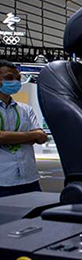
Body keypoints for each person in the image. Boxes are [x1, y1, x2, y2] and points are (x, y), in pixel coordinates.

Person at [0, 60, 47, 198]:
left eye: (18, 78)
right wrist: (31, 136)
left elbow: (41, 137)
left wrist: (8, 137)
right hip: (3, 180)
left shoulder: (25, 109)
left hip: (29, 178)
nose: (15, 82)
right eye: (9, 78)